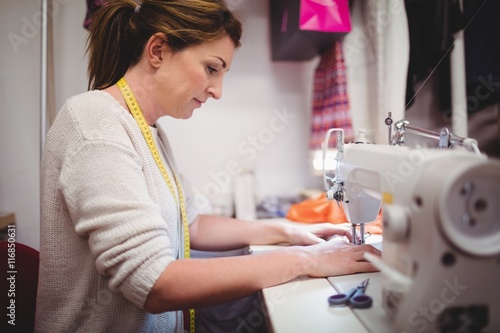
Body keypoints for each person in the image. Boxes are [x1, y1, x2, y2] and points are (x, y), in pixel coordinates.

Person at [35, 0, 381, 332]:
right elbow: (153, 282)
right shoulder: (96, 121)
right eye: (211, 68)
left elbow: (193, 223)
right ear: (157, 51)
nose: (217, 91)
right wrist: (307, 260)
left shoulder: (150, 132)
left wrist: (288, 232)